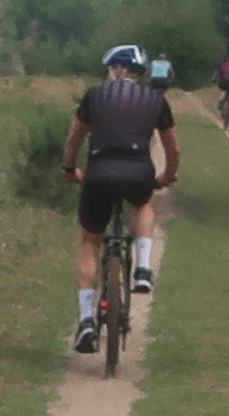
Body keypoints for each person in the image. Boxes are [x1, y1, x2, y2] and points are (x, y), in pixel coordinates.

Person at [64, 43, 178, 353]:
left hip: (98, 173)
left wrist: (70, 168)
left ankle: (87, 319)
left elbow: (75, 138)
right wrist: (167, 176)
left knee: (90, 241)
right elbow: (172, 148)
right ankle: (142, 268)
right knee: (143, 204)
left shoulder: (94, 95)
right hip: (139, 172)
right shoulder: (156, 100)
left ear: (117, 68)